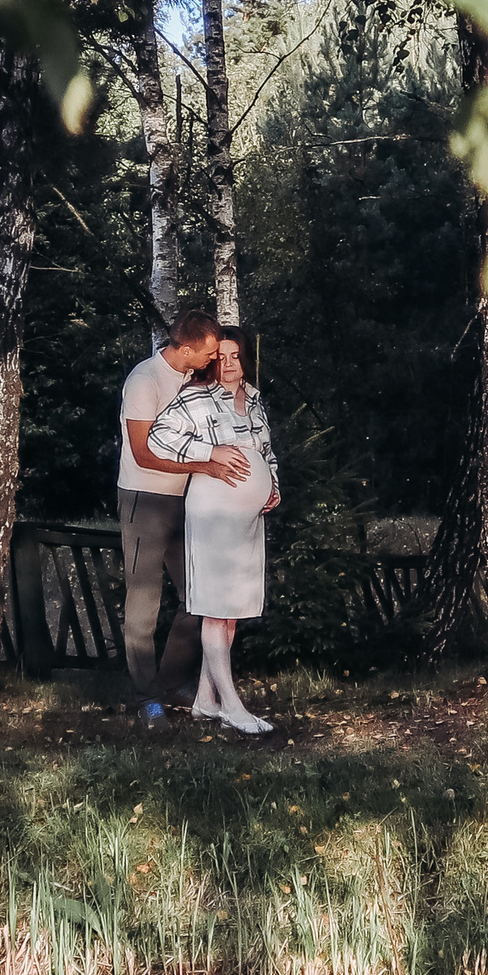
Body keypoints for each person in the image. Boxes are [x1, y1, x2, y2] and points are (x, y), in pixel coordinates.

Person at [147, 335, 280, 734]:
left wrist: (272, 484)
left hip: (247, 517)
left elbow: (266, 452)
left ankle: (205, 701)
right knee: (216, 608)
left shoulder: (253, 399)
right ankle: (232, 707)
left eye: (236, 356)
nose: (230, 364)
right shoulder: (196, 396)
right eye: (221, 357)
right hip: (213, 512)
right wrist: (209, 453)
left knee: (232, 609)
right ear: (210, 362)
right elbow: (159, 436)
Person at [118, 313, 226, 719]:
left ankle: (168, 683)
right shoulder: (144, 380)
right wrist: (204, 466)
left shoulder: (194, 381)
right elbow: (143, 454)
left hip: (187, 501)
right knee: (143, 603)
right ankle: (145, 697)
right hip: (144, 498)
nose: (213, 358)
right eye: (209, 352)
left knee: (197, 597)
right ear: (186, 349)